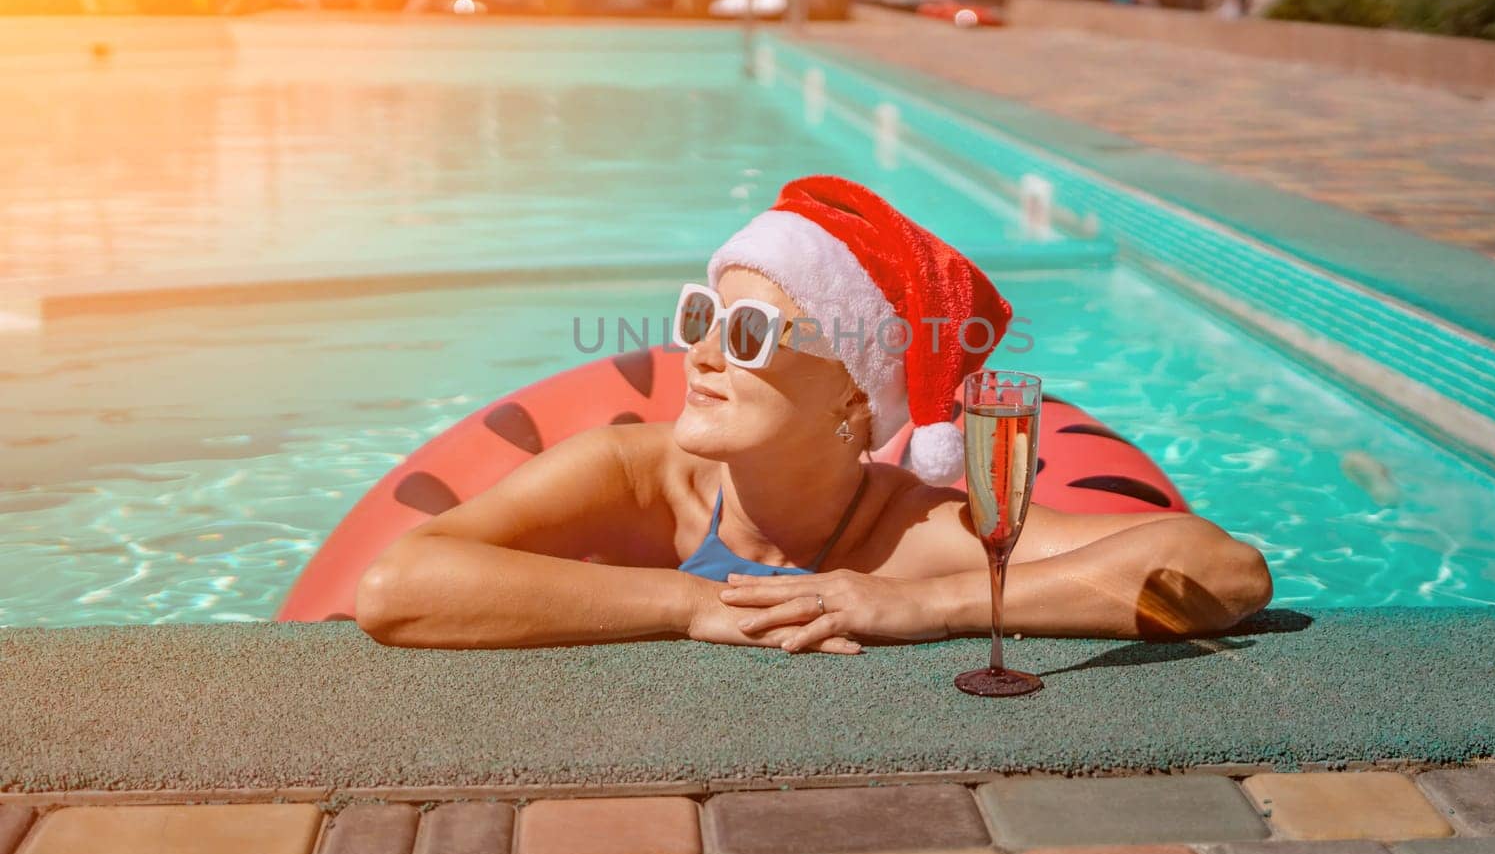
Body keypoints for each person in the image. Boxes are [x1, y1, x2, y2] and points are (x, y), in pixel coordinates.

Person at [355, 175, 1272, 654]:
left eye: (749, 331)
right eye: (699, 318)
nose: (702, 353)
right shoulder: (635, 478)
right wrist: (689, 605)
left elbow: (1222, 568)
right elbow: (397, 587)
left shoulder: (908, 530)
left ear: (852, 396)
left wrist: (927, 606)